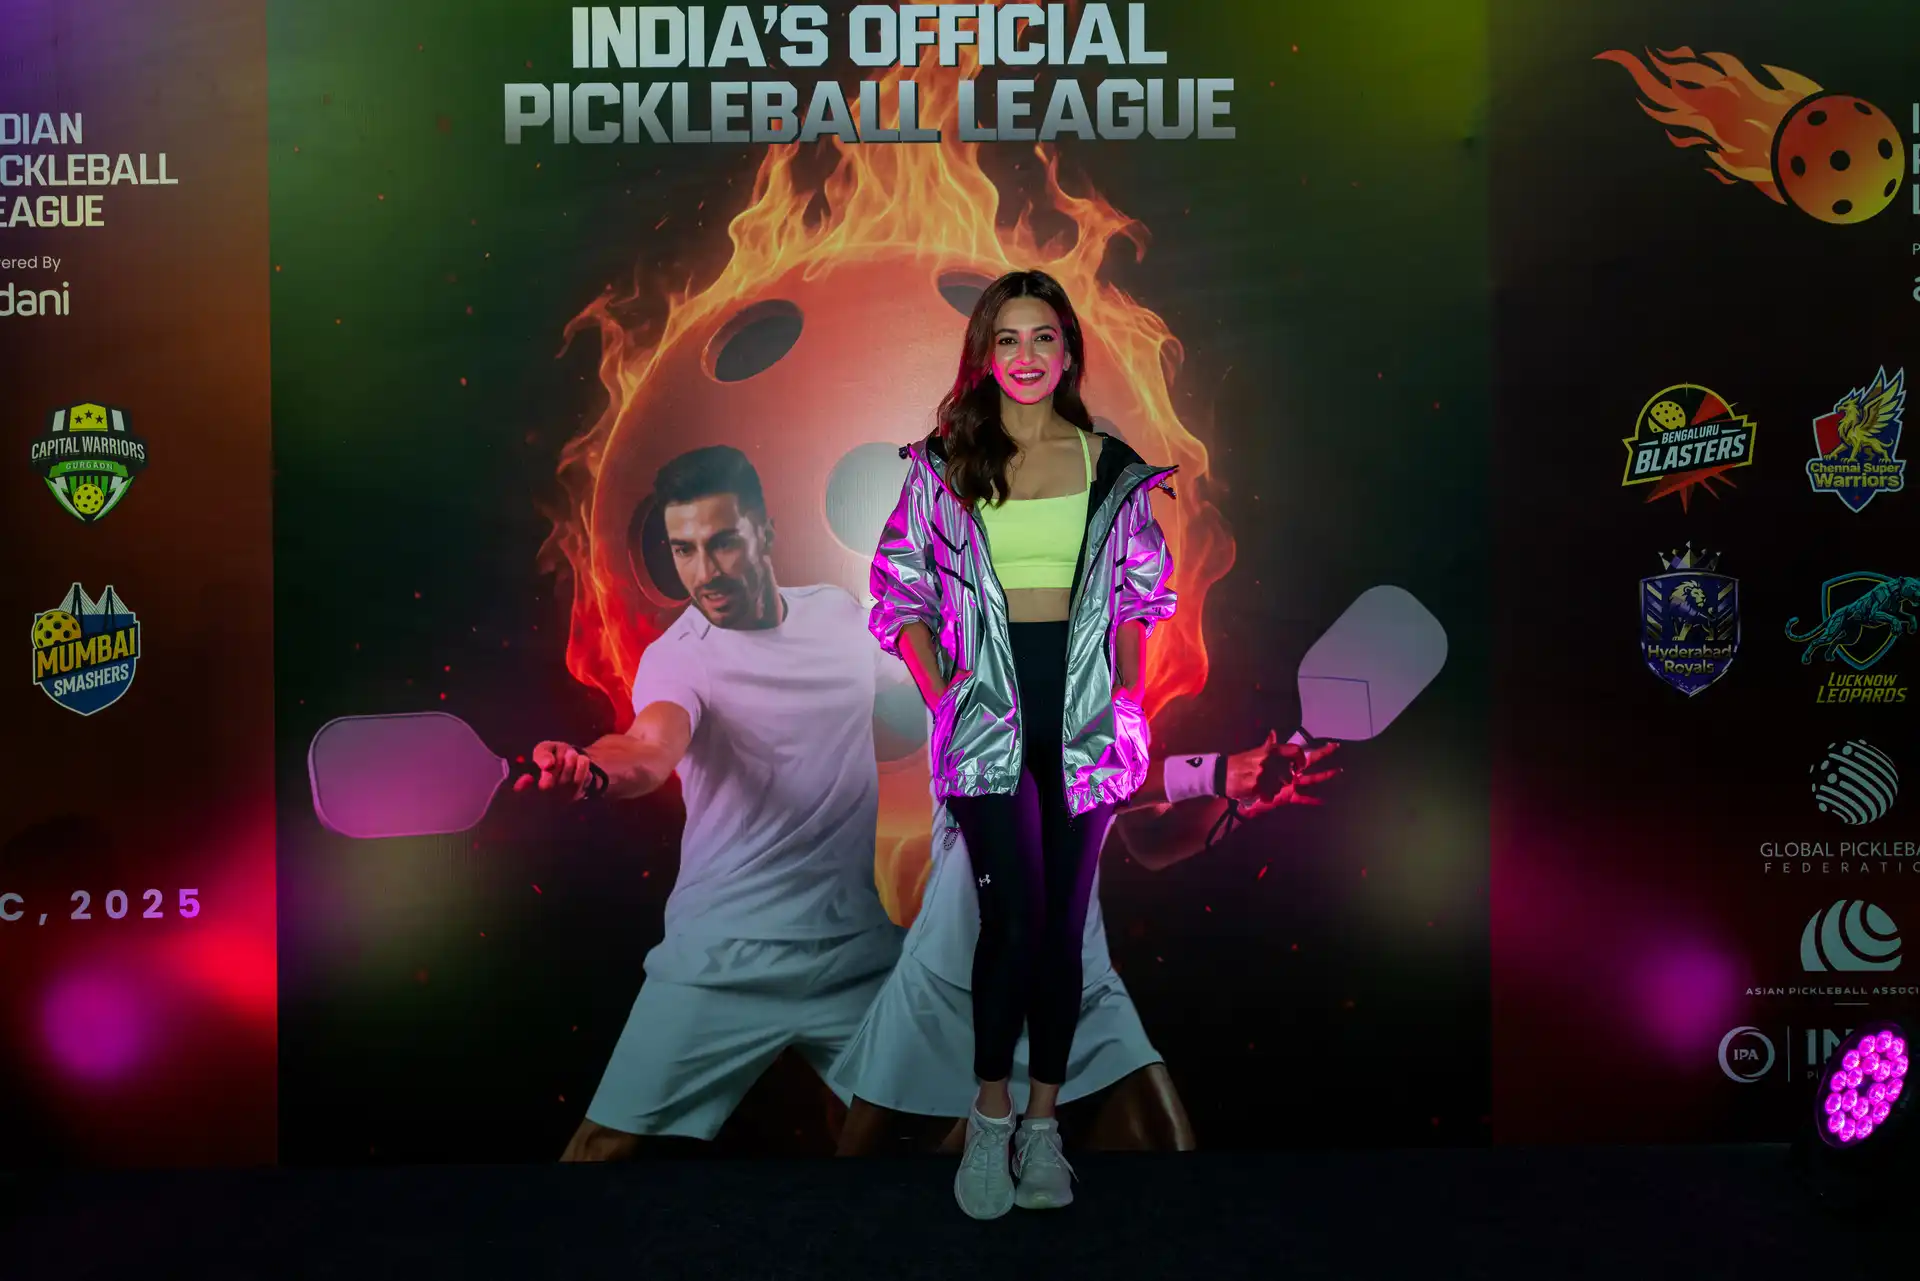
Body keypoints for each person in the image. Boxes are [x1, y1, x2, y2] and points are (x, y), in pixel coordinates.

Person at [868, 268, 1178, 1218]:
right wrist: (945, 697)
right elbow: (899, 591)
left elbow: (1141, 593)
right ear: (985, 355)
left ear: (1069, 350)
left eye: (1044, 336)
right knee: (1014, 917)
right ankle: (990, 1115)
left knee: (1063, 923)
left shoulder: (1109, 464)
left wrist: (1126, 691)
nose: (1027, 355)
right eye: (1008, 338)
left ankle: (1044, 1126)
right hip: (987, 721)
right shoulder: (946, 463)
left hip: (1085, 722)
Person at [519, 444, 908, 1159]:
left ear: (766, 533)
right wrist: (591, 769)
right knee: (603, 1153)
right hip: (725, 957)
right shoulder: (681, 656)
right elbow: (646, 747)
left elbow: (939, 683)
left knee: (938, 1133)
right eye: (684, 550)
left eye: (723, 542)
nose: (705, 572)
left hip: (855, 953)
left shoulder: (840, 619)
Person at [830, 732, 1340, 1157]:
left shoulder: (1114, 670)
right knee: (874, 1211)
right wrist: (1213, 772)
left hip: (1078, 986)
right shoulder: (968, 654)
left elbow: (1150, 840)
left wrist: (1240, 800)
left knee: (1168, 1167)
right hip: (953, 988)